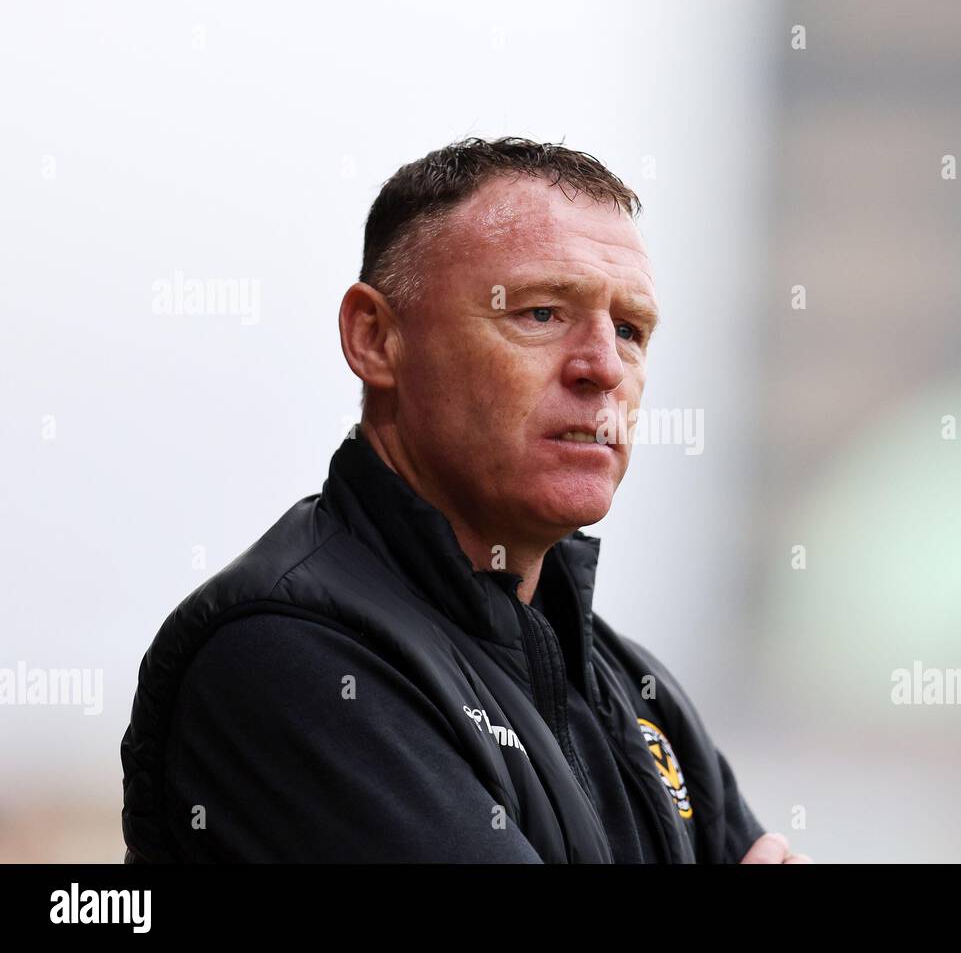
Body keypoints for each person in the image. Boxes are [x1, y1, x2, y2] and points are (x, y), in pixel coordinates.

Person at [120, 137, 811, 864]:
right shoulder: (287, 655)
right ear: (376, 338)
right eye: (542, 313)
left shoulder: (635, 689)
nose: (603, 366)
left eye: (631, 331)